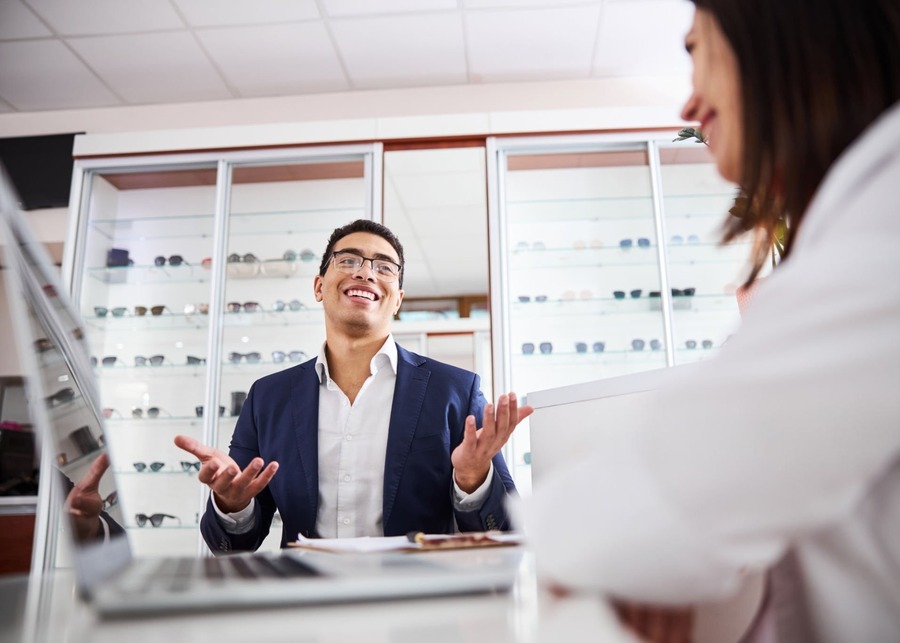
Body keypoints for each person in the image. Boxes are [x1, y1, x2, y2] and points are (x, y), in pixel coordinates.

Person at [518, 1, 900, 642]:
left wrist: (636, 542)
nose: (689, 106)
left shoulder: (882, 224)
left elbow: (644, 512)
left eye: (698, 52)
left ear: (781, 32)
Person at [176, 219, 532, 552]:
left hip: (419, 592)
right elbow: (233, 545)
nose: (365, 272)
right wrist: (232, 506)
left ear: (397, 299)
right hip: (306, 592)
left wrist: (472, 479)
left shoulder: (455, 390)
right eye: (348, 260)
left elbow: (505, 531)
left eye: (384, 267)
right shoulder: (268, 398)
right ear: (319, 286)